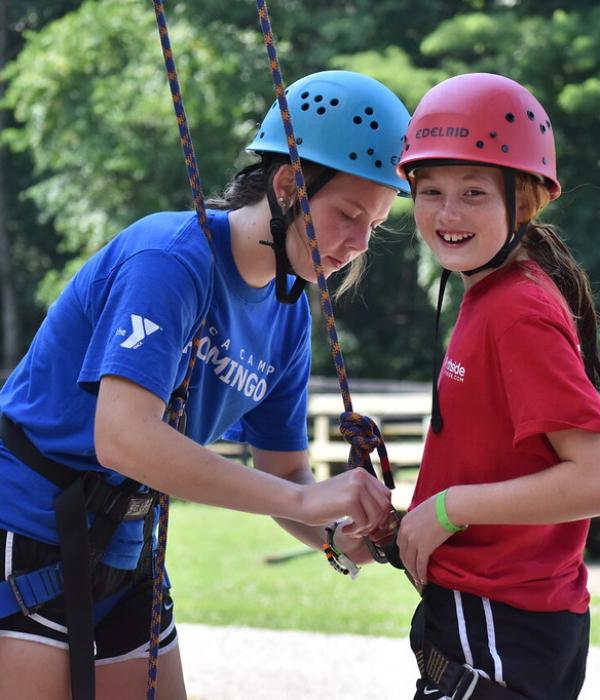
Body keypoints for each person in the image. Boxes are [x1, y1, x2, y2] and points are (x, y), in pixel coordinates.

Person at [0, 70, 412, 700]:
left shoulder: (287, 315)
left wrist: (339, 533)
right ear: (287, 185)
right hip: (24, 529)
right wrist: (305, 504)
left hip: (125, 548)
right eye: (348, 215)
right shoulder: (171, 258)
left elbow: (289, 480)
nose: (356, 245)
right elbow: (123, 439)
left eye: (373, 226)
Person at [396, 72, 600, 700]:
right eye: (429, 191)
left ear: (526, 200)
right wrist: (415, 516)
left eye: (474, 192)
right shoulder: (492, 296)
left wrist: (448, 511)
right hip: (494, 614)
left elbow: (593, 476)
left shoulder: (517, 310)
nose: (447, 214)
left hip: (501, 618)